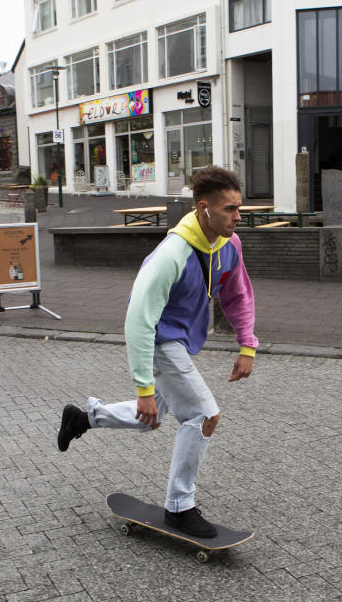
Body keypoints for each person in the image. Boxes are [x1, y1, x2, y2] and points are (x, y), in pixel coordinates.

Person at [56, 166, 258, 538]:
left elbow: (237, 294)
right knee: (203, 416)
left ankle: (83, 418)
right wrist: (143, 388)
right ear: (204, 209)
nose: (237, 216)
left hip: (177, 341)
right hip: (159, 341)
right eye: (229, 209)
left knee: (147, 419)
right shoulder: (172, 254)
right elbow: (137, 322)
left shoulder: (230, 245)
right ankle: (180, 507)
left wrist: (247, 343)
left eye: (238, 208)